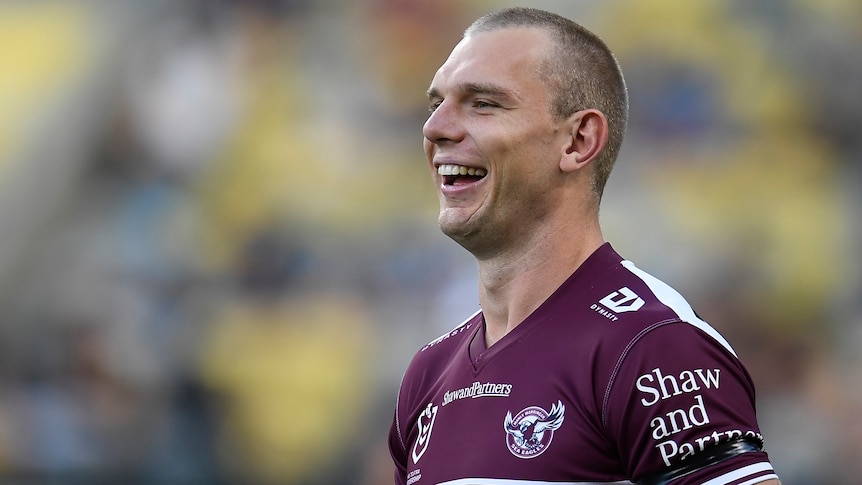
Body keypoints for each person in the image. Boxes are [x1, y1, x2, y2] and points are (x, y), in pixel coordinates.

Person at [388, 7, 781, 485]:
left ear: (578, 140)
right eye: (436, 104)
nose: (435, 128)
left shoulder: (652, 346)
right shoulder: (427, 375)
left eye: (483, 103)